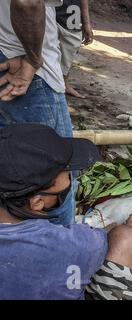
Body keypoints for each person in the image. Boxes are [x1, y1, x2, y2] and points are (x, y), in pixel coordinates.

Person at [0, 124, 132, 300]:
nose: (71, 176)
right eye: (66, 171)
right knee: (127, 237)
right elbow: (101, 240)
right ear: (38, 202)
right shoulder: (68, 244)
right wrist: (130, 225)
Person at [0, 0, 75, 226]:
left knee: (8, 173)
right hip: (22, 65)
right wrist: (33, 58)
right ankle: (57, 257)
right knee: (58, 173)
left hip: (7, 53)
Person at [56, 0, 94, 99]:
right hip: (48, 11)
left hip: (72, 17)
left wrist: (86, 23)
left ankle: (64, 84)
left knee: (69, 50)